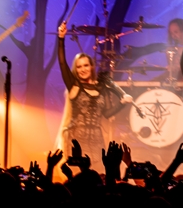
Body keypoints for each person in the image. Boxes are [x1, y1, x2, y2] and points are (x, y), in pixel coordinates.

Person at [57, 21, 134, 159]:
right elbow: (62, 63)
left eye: (86, 65)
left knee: (98, 170)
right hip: (76, 140)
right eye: (79, 67)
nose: (82, 69)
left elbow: (107, 113)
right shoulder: (74, 86)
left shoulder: (100, 88)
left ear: (91, 67)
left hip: (97, 141)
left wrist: (122, 103)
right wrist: (61, 38)